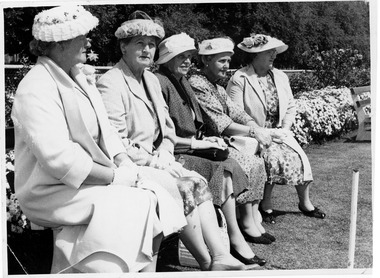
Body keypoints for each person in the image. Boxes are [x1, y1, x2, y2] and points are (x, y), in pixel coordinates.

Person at [11, 6, 188, 273]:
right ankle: (93, 267)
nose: (88, 41)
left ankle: (136, 270)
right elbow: (59, 159)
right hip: (49, 191)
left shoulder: (78, 77)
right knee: (139, 200)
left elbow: (107, 131)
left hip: (83, 181)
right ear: (59, 44)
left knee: (157, 191)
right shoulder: (35, 87)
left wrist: (123, 161)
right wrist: (114, 177)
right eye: (81, 36)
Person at [96, 11, 245, 271]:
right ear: (123, 46)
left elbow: (166, 128)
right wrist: (156, 161)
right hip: (131, 166)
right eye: (139, 44)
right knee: (184, 186)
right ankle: (208, 261)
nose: (147, 50)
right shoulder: (110, 82)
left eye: (152, 45)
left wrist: (165, 154)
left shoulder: (151, 79)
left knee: (197, 182)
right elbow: (116, 141)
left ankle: (219, 256)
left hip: (158, 160)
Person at [154, 32, 269, 265]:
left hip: (191, 146)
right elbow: (166, 135)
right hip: (175, 152)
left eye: (189, 56)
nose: (187, 61)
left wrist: (210, 138)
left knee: (228, 163)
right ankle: (234, 241)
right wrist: (202, 141)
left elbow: (220, 114)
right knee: (223, 169)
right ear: (166, 58)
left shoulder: (182, 79)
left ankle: (234, 236)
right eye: (180, 56)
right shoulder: (161, 80)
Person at [226, 33, 326, 223]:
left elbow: (290, 105)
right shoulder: (240, 78)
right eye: (268, 52)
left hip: (280, 131)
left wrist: (285, 129)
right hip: (254, 133)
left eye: (274, 52)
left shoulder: (279, 76)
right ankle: (266, 205)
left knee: (299, 158)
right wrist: (260, 131)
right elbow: (235, 112)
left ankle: (305, 203)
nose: (273, 55)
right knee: (271, 158)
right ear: (255, 54)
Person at [187, 38, 273, 241]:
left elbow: (237, 113)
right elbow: (221, 123)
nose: (227, 67)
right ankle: (245, 221)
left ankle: (252, 217)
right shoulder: (198, 84)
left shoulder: (217, 87)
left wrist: (255, 127)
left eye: (228, 61)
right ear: (206, 60)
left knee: (258, 160)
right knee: (250, 162)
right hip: (206, 143)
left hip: (221, 140)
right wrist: (253, 133)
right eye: (221, 61)